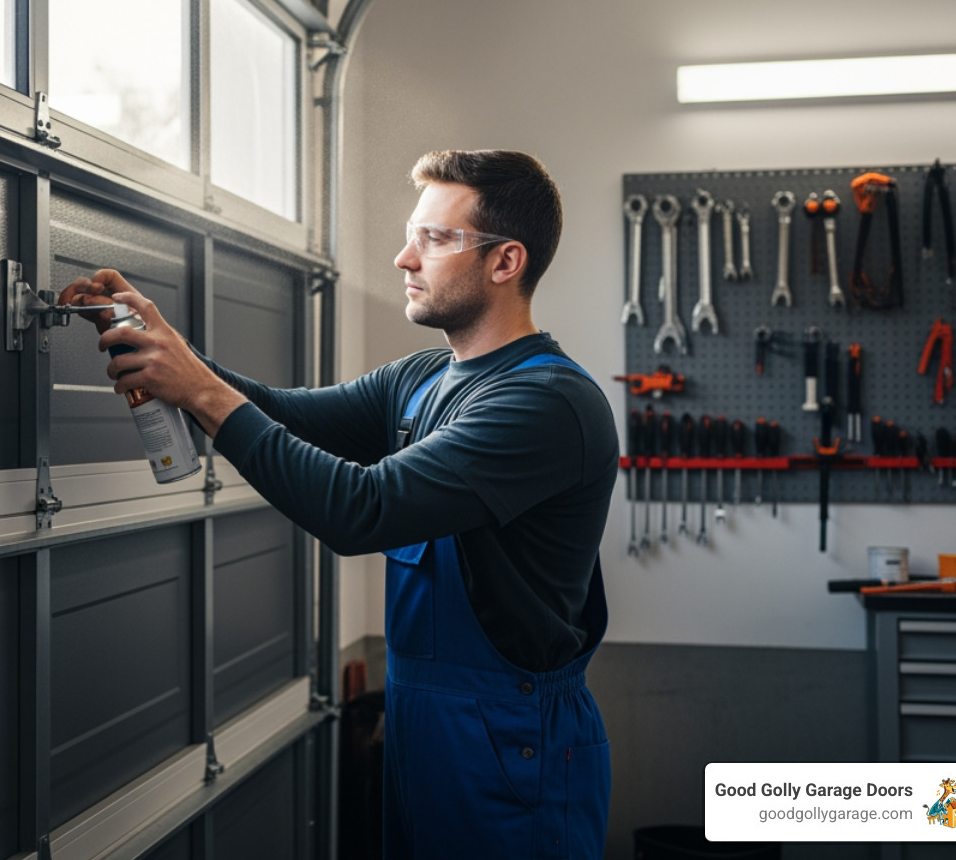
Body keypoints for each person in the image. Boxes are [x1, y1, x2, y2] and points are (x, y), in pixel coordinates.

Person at [60, 149, 617, 859]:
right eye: (412, 235)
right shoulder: (424, 378)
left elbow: (363, 509)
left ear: (506, 262)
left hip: (514, 744)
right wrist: (166, 350)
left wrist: (197, 389)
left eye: (434, 239)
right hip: (424, 727)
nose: (404, 258)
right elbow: (283, 414)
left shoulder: (547, 403)